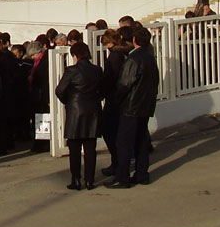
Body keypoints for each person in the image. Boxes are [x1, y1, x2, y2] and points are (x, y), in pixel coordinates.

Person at [107, 27, 160, 189]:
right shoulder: (150, 57)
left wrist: (116, 101)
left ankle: (122, 178)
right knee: (141, 141)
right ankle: (142, 174)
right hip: (145, 105)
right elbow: (155, 81)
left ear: (135, 40)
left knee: (124, 143)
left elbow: (124, 84)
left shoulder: (133, 59)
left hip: (131, 107)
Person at [55, 41, 103, 190]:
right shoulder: (97, 70)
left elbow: (59, 90)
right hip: (93, 110)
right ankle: (90, 180)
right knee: (90, 147)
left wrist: (68, 102)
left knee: (74, 148)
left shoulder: (71, 71)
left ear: (75, 55)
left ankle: (76, 179)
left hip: (75, 110)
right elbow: (103, 89)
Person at [100, 29, 133, 176]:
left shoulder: (115, 57)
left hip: (114, 98)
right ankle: (118, 162)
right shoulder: (125, 54)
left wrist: (102, 92)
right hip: (122, 98)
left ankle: (117, 163)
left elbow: (110, 78)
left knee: (109, 131)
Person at [27, 38, 50, 152]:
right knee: (40, 119)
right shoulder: (39, 62)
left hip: (43, 94)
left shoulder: (44, 62)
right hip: (39, 94)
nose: (32, 58)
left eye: (33, 55)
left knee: (43, 119)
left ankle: (42, 143)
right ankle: (40, 143)